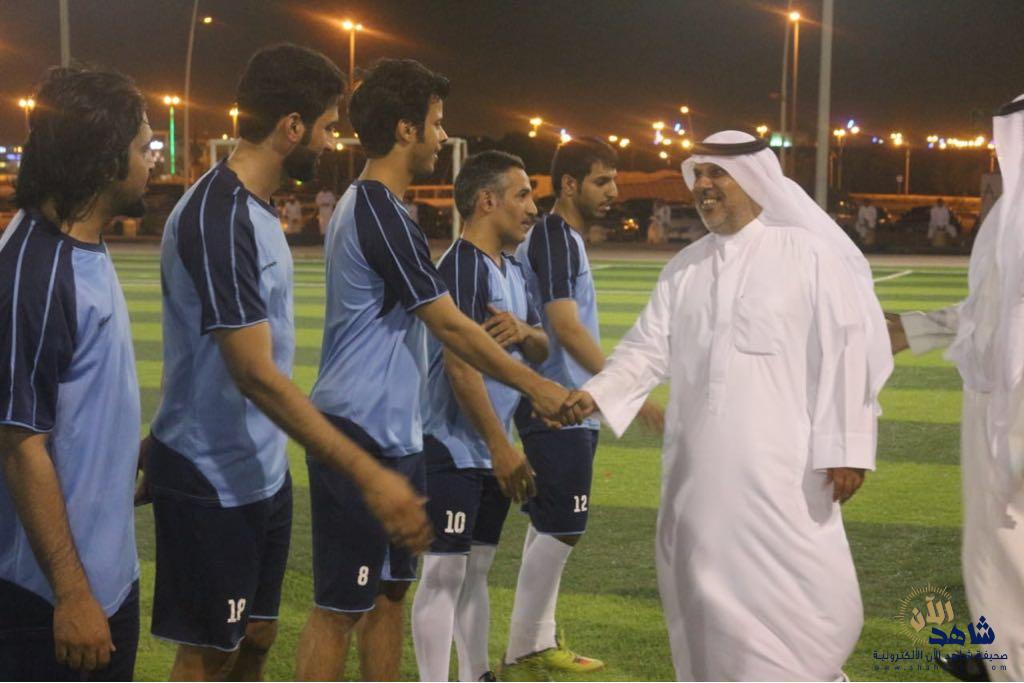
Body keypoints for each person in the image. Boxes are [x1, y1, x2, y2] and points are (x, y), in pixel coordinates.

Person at [146, 44, 431, 681]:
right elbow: (254, 373)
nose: (331, 142)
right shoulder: (219, 216)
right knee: (209, 652)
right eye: (327, 126)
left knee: (257, 636)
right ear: (292, 126)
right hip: (211, 473)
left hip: (260, 468)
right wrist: (367, 471)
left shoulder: (255, 209)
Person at [566, 130, 893, 680]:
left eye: (717, 173)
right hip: (698, 473)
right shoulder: (685, 267)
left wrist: (848, 447)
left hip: (786, 470)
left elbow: (848, 351)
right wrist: (596, 393)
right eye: (698, 174)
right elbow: (646, 349)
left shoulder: (808, 255)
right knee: (705, 592)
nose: (704, 185)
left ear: (754, 179)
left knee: (804, 597)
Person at [295, 59, 574, 682]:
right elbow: (449, 326)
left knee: (389, 595)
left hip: (395, 433)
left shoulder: (391, 211)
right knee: (340, 607)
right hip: (356, 430)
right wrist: (537, 385)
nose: (443, 137)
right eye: (436, 123)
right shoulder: (374, 209)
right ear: (405, 130)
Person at [0, 66, 154, 680]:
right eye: (143, 148)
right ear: (107, 160)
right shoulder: (35, 271)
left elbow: (69, 409)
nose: (151, 162)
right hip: (51, 602)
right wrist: (71, 595)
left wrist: (129, 453)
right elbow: (19, 444)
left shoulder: (78, 243)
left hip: (104, 581)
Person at [501, 137, 663, 679]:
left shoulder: (562, 237)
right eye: (601, 180)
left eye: (614, 179)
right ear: (568, 184)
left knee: (551, 523)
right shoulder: (554, 237)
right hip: (558, 402)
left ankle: (534, 641)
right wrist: (626, 390)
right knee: (564, 525)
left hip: (568, 399)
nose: (613, 190)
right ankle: (523, 648)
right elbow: (565, 327)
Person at [888, 95, 1024, 682]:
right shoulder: (1008, 213)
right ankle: (1002, 653)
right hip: (996, 397)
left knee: (1005, 536)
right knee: (995, 540)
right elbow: (987, 310)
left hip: (1014, 404)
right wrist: (913, 328)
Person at [411, 151, 547, 682]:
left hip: (490, 446)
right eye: (523, 195)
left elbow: (540, 346)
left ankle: (477, 674)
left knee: (477, 569)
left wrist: (525, 330)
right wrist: (499, 447)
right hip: (450, 444)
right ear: (487, 201)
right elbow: (459, 366)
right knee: (444, 571)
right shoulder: (461, 267)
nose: (532, 207)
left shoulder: (512, 266)